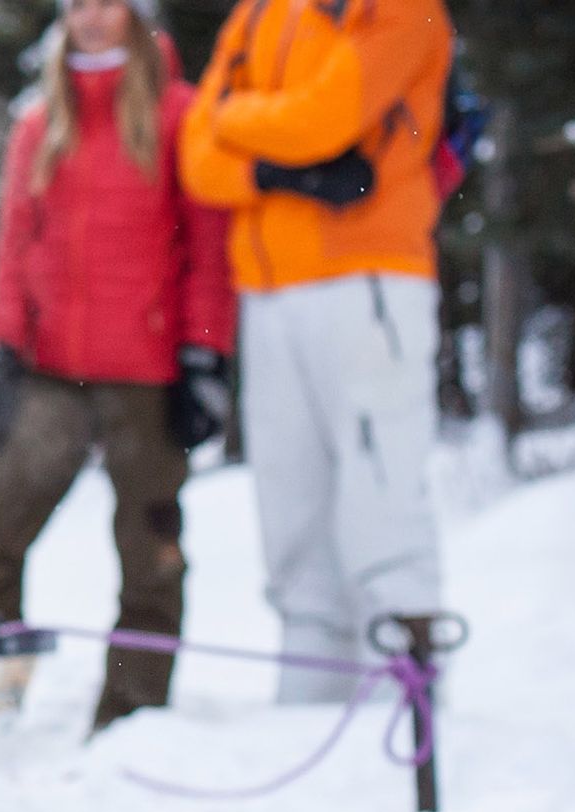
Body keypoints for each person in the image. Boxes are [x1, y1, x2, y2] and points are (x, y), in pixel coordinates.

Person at [0, 0, 235, 732]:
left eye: (108, 3)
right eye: (79, 4)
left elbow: (207, 248)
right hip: (51, 366)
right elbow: (14, 250)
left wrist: (205, 354)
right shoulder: (40, 123)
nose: (91, 17)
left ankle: (133, 712)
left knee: (150, 546)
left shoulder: (180, 114)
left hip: (149, 369)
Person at [179, 0, 453, 701]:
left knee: (380, 486)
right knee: (289, 498)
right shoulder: (256, 15)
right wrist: (277, 173)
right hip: (268, 289)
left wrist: (236, 119)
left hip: (368, 277)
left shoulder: (399, 9)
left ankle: (407, 691)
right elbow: (197, 158)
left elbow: (326, 116)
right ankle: (308, 693)